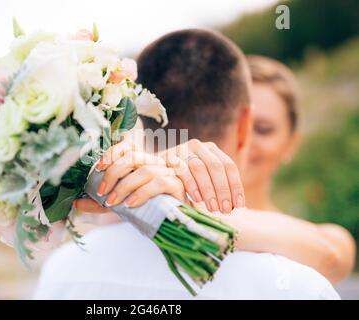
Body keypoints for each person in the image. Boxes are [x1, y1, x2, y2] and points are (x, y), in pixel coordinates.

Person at [33, 29, 340, 299]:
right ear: (244, 125)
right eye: (257, 127)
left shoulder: (61, 271)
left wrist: (171, 200)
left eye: (268, 128)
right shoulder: (298, 285)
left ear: (137, 117)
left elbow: (334, 252)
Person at [242, 55, 356, 283]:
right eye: (232, 123)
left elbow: (333, 254)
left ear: (290, 145)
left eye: (263, 129)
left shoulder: (324, 241)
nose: (243, 138)